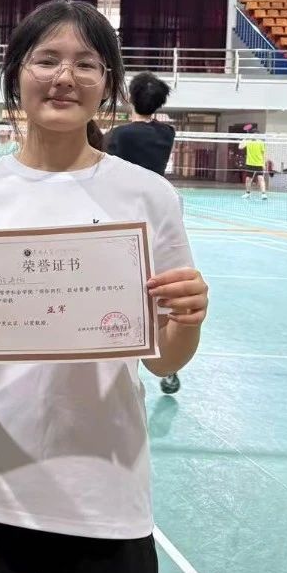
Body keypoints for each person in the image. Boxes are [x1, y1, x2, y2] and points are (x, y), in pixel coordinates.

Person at [0, 0, 208, 573]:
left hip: (102, 484)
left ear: (108, 83)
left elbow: (164, 359)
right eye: (46, 60)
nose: (64, 77)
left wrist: (190, 320)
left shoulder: (148, 196)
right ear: (16, 73)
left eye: (86, 64)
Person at [105, 72, 182, 394]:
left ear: (128, 98)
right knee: (162, 295)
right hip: (159, 215)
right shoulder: (167, 133)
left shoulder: (118, 135)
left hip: (123, 219)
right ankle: (169, 368)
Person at [238, 124, 269, 200]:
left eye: (257, 135)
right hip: (250, 163)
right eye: (254, 135)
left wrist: (264, 164)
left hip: (259, 164)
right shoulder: (248, 141)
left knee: (261, 178)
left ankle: (263, 194)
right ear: (251, 135)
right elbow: (240, 147)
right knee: (248, 179)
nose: (255, 136)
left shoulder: (261, 142)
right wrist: (245, 138)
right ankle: (247, 193)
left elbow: (264, 154)